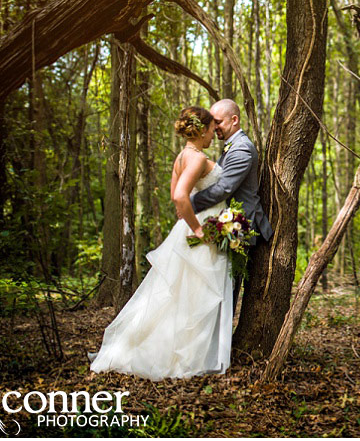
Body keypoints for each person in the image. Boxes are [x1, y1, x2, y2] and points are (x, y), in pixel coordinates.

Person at [89, 106, 233, 381]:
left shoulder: (182, 157)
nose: (215, 134)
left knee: (183, 294)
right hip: (197, 232)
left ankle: (187, 349)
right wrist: (198, 229)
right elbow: (180, 196)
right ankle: (186, 355)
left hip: (190, 228)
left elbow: (173, 193)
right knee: (195, 295)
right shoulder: (198, 159)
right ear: (202, 130)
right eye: (212, 129)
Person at [191, 99, 273, 309]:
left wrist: (190, 203)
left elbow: (224, 189)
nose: (213, 127)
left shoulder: (241, 149)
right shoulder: (231, 147)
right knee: (218, 288)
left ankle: (222, 340)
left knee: (227, 291)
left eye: (217, 121)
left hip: (239, 228)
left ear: (234, 120)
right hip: (225, 225)